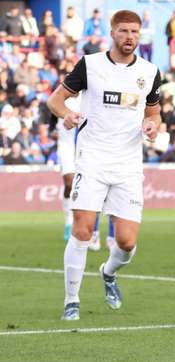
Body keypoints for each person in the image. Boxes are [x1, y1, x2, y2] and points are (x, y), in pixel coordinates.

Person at [48, 10, 162, 321]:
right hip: (93, 160)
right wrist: (66, 114)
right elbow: (55, 100)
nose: (130, 37)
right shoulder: (91, 65)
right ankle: (72, 300)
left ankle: (108, 273)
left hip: (127, 164)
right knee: (83, 230)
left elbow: (154, 114)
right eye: (124, 31)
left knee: (126, 242)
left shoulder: (150, 72)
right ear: (112, 32)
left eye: (135, 32)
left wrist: (153, 126)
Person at [56, 93, 113, 250]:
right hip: (66, 145)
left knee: (85, 185)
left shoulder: (87, 96)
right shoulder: (60, 97)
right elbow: (49, 118)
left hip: (84, 144)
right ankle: (69, 221)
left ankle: (86, 227)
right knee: (69, 182)